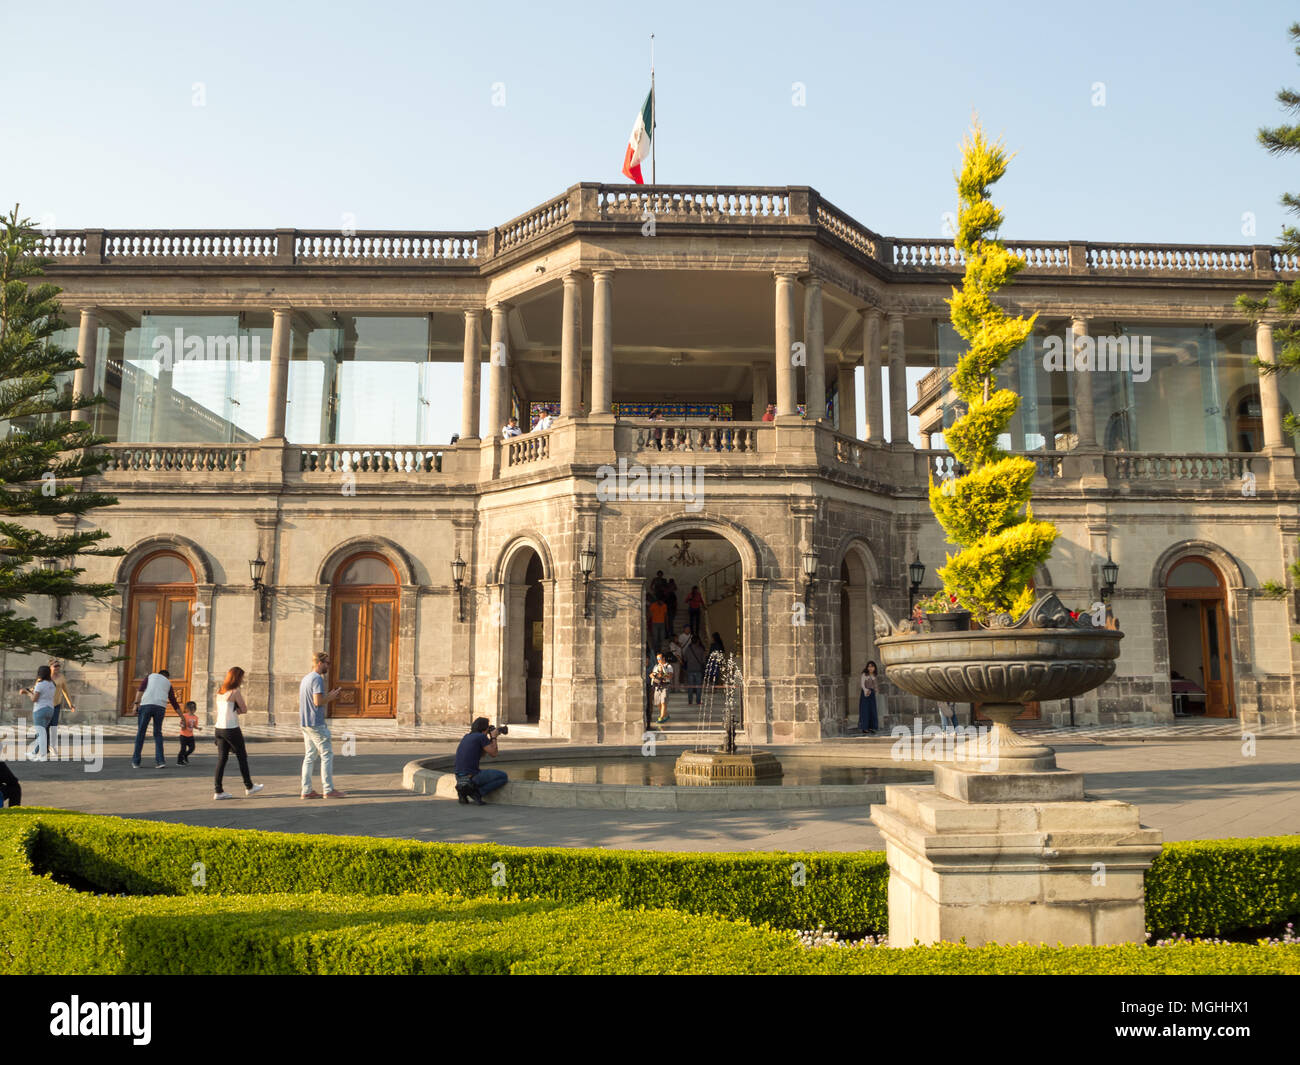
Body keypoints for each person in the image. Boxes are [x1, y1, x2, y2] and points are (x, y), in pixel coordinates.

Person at [300, 651, 345, 799]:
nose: (328, 666)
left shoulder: (306, 678)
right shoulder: (317, 679)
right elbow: (318, 702)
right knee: (327, 755)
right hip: (316, 723)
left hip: (305, 723)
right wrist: (331, 697)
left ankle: (306, 790)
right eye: (327, 663)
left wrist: (328, 696)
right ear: (319, 663)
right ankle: (328, 789)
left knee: (310, 756)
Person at [212, 668, 263, 800]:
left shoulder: (220, 691)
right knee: (242, 757)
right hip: (231, 728)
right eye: (242, 677)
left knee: (221, 759)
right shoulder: (235, 692)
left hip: (219, 728)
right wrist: (237, 710)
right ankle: (249, 787)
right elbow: (244, 709)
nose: (243, 680)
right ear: (237, 678)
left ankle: (218, 791)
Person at [130, 668, 180, 769]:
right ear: (167, 677)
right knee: (157, 733)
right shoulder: (168, 683)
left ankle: (136, 762)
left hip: (146, 705)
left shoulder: (150, 676)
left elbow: (140, 690)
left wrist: (136, 705)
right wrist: (182, 716)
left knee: (141, 732)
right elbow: (173, 702)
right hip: (160, 707)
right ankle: (160, 761)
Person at [453, 717, 508, 805]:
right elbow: (494, 754)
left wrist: (488, 741)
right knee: (503, 777)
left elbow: (482, 754)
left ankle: (463, 790)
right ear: (485, 729)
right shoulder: (481, 737)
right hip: (471, 776)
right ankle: (477, 793)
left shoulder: (467, 736)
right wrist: (493, 737)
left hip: (458, 777)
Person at [21, 666, 57, 760]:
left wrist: (27, 692)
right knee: (42, 733)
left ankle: (43, 755)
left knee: (41, 734)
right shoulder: (52, 684)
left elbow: (34, 699)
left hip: (40, 710)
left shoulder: (40, 684)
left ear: (40, 673)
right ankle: (33, 752)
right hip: (50, 710)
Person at [48, 660, 75, 754]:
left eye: (58, 666)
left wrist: (70, 704)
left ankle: (52, 746)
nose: (57, 667)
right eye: (55, 666)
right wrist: (28, 691)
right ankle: (45, 746)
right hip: (45, 705)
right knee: (45, 727)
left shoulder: (61, 677)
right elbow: (36, 687)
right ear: (50, 667)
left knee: (54, 726)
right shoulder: (45, 677)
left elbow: (65, 691)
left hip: (56, 705)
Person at [682, 633, 709, 706]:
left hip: (690, 669)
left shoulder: (688, 649)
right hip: (698, 669)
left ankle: (690, 701)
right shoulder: (700, 649)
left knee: (690, 686)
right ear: (698, 641)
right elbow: (703, 660)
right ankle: (698, 701)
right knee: (698, 686)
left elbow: (685, 659)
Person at [650, 652, 673, 723]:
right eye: (657, 658)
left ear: (663, 658)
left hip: (665, 686)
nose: (658, 660)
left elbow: (670, 676)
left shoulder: (668, 666)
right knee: (657, 703)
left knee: (663, 702)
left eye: (659, 658)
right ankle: (665, 715)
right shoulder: (656, 666)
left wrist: (662, 675)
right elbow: (651, 674)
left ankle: (661, 717)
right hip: (657, 686)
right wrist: (654, 676)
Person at [858, 661, 880, 735]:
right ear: (867, 667)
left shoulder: (874, 675)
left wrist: (875, 692)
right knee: (865, 710)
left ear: (874, 668)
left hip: (872, 694)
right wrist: (866, 691)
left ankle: (873, 727)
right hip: (865, 694)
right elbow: (862, 684)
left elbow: (875, 686)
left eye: (872, 666)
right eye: (869, 666)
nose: (870, 668)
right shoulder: (864, 674)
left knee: (872, 710)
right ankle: (864, 728)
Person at [177, 701, 199, 765]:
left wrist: (198, 728)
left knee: (192, 748)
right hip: (183, 735)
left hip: (190, 736)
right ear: (187, 709)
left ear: (195, 709)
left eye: (193, 709)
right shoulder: (184, 716)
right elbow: (181, 724)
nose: (192, 710)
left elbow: (194, 725)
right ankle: (179, 761)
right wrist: (182, 725)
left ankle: (185, 755)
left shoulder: (196, 717)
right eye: (190, 709)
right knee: (183, 749)